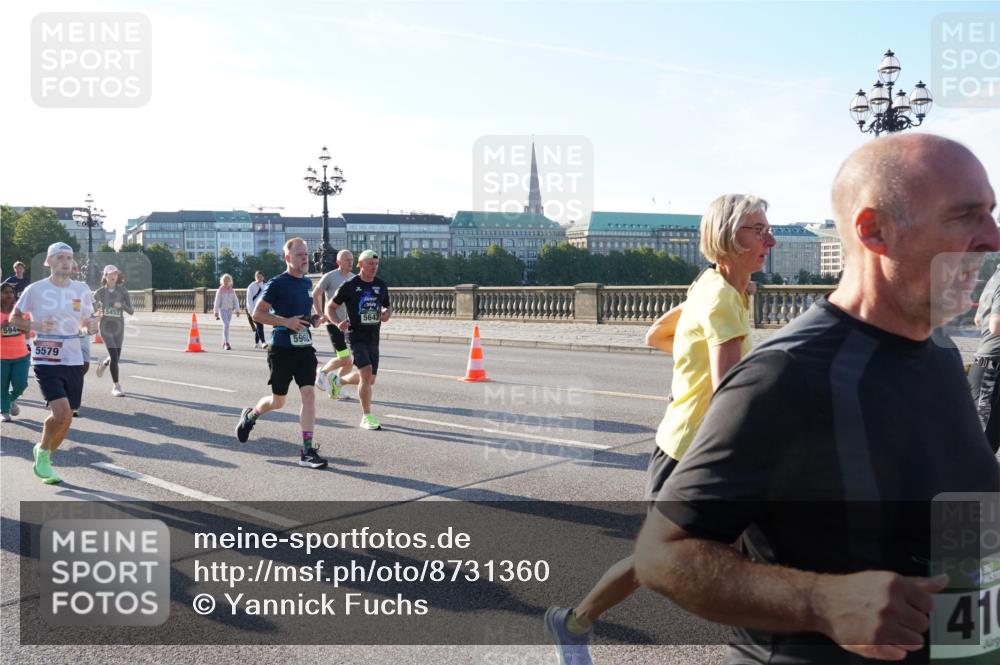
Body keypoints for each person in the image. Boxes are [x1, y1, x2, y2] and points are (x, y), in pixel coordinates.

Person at [634, 133, 1000, 664]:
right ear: (875, 231)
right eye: (964, 216)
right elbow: (661, 557)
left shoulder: (940, 352)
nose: (992, 238)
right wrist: (821, 601)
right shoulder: (787, 375)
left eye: (990, 212)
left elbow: (959, 518)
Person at [544, 195, 775, 665]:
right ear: (728, 238)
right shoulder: (720, 300)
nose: (769, 238)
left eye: (767, 228)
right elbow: (734, 397)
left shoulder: (712, 287)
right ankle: (572, 623)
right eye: (758, 229)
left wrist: (694, 359)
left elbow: (654, 335)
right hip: (697, 456)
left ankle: (573, 623)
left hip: (692, 446)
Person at [11, 242, 99, 484]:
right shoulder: (35, 290)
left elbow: (86, 322)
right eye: (59, 257)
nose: (65, 261)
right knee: (60, 412)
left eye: (69, 257)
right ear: (48, 262)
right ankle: (44, 459)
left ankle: (43, 452)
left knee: (67, 417)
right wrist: (37, 326)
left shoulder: (81, 289)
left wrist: (90, 326)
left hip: (73, 357)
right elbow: (14, 318)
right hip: (46, 357)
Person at [235, 238, 327, 469]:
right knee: (278, 402)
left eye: (306, 254)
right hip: (281, 350)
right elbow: (257, 314)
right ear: (287, 258)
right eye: (299, 255)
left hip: (304, 348)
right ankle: (251, 415)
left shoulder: (306, 283)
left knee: (309, 394)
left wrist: (313, 320)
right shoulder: (277, 283)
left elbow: (303, 315)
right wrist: (285, 322)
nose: (305, 258)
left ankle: (306, 451)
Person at [327, 249, 391, 430]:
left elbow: (387, 306)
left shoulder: (381, 285)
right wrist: (338, 322)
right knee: (366, 373)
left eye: (376, 264)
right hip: (355, 336)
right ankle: (366, 416)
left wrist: (387, 314)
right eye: (370, 263)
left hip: (373, 337)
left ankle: (338, 381)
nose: (374, 267)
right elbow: (329, 308)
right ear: (360, 265)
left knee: (370, 379)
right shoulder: (349, 285)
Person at [313, 249, 355, 400]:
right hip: (333, 323)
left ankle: (336, 388)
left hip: (348, 324)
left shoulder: (354, 278)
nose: (350, 262)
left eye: (351, 259)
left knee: (349, 362)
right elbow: (315, 294)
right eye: (346, 260)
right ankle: (323, 372)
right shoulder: (330, 277)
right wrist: (320, 314)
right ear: (338, 262)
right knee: (344, 357)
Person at [970, 262, 1000, 451]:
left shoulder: (994, 278)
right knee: (983, 447)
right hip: (992, 371)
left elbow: (978, 319)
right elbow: (995, 326)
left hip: (988, 368)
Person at [93, 264, 134, 396]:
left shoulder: (123, 291)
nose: (112, 277)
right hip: (105, 326)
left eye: (115, 274)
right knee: (115, 356)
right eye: (109, 274)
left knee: (115, 357)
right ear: (105, 276)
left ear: (118, 276)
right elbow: (91, 309)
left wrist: (121, 305)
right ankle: (116, 386)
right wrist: (97, 308)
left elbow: (131, 311)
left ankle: (104, 363)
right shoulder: (99, 292)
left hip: (118, 326)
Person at [1, 283, 30, 422]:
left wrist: (23, 326)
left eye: (11, 292)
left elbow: (28, 331)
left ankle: (11, 400)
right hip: (1, 357)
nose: (9, 295)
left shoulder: (20, 312)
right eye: (5, 292)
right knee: (2, 386)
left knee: (21, 384)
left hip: (21, 355)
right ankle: (4, 410)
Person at [213, 273, 240, 350]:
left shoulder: (232, 290)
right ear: (222, 281)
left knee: (226, 327)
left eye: (227, 281)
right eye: (224, 281)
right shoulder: (220, 290)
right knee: (226, 324)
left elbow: (235, 301)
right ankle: (226, 343)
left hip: (229, 310)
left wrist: (237, 310)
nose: (226, 282)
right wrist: (216, 311)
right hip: (223, 310)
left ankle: (224, 342)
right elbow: (217, 301)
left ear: (230, 281)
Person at [246, 271, 267, 349]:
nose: (259, 278)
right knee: (260, 325)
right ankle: (263, 342)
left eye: (261, 277)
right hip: (253, 310)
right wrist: (251, 312)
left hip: (262, 310)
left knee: (259, 326)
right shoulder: (251, 286)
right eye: (257, 277)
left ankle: (257, 342)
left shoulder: (265, 286)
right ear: (255, 277)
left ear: (263, 277)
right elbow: (249, 300)